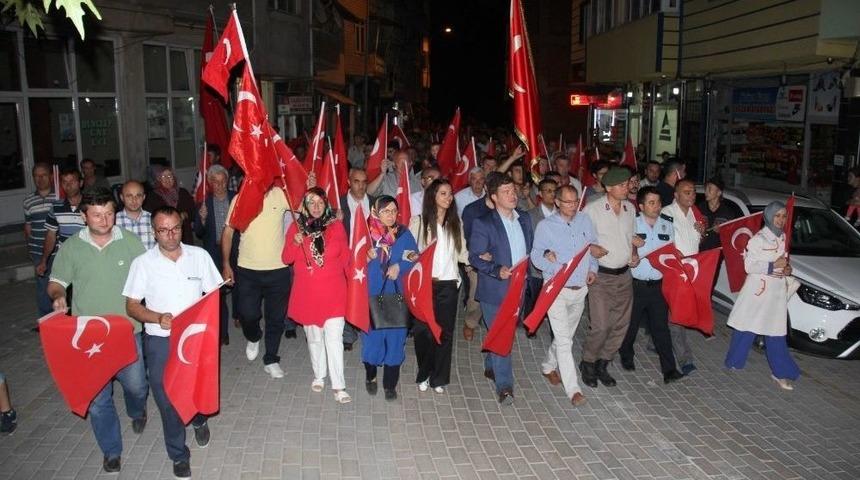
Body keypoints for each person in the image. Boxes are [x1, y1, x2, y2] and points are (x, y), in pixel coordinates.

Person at [47, 189, 148, 474]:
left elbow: (147, 276)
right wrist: (58, 295)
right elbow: (55, 282)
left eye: (109, 213)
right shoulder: (71, 248)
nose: (105, 220)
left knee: (137, 386)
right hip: (89, 338)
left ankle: (137, 409)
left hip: (128, 331)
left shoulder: (129, 242)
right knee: (98, 400)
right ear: (83, 216)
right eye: (97, 215)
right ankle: (111, 450)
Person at [123, 206, 222, 479]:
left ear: (182, 226)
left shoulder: (199, 256)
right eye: (163, 230)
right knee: (166, 399)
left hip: (194, 339)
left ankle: (199, 417)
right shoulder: (142, 263)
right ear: (154, 232)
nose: (170, 235)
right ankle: (178, 454)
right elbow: (131, 306)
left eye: (175, 228)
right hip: (160, 341)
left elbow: (213, 295)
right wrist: (156, 317)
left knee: (197, 386)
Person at [469, 173, 534, 405]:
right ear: (494, 197)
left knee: (499, 331)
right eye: (506, 192)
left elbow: (530, 249)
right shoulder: (484, 223)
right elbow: (475, 257)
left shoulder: (525, 219)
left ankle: (489, 364)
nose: (513, 195)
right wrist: (497, 269)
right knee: (504, 337)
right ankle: (505, 385)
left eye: (513, 190)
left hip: (518, 288)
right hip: (495, 289)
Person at [282, 188, 352, 403]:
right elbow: (286, 259)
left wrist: (356, 284)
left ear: (325, 204)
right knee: (314, 339)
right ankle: (319, 375)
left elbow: (346, 257)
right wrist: (294, 242)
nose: (315, 206)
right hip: (308, 294)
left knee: (334, 340)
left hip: (334, 293)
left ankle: (339, 386)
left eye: (319, 201)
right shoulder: (296, 226)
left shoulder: (336, 226)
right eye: (311, 202)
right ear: (305, 205)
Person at [530, 185, 597, 406]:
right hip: (556, 290)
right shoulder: (545, 226)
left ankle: (548, 365)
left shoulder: (585, 221)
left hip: (580, 290)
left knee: (564, 335)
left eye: (575, 201)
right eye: (567, 202)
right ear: (557, 202)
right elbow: (536, 257)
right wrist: (550, 262)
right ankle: (573, 390)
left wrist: (592, 269)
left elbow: (592, 249)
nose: (572, 206)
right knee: (565, 341)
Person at [724, 201, 801, 391]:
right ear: (768, 216)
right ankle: (734, 361)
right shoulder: (757, 239)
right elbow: (749, 266)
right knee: (746, 327)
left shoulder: (782, 237)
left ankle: (781, 372)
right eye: (777, 216)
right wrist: (772, 266)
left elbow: (782, 263)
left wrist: (787, 269)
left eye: (784, 216)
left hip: (775, 293)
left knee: (775, 332)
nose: (781, 220)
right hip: (758, 291)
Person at [221, 186, 296, 378]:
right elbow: (228, 232)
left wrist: (309, 185)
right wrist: (226, 264)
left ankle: (271, 359)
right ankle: (253, 336)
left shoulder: (280, 194)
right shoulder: (239, 198)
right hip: (247, 269)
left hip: (278, 270)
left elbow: (304, 207)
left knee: (276, 318)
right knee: (247, 314)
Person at [580, 167, 643, 388]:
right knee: (601, 325)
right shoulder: (592, 210)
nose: (628, 187)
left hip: (624, 276)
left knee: (620, 325)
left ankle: (603, 363)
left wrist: (634, 254)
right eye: (623, 185)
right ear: (608, 187)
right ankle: (587, 362)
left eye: (628, 184)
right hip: (601, 277)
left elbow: (631, 237)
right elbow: (580, 240)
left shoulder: (630, 209)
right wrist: (591, 248)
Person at [619, 186, 685, 383]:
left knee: (660, 328)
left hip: (658, 285)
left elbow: (670, 252)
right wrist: (630, 256)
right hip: (635, 284)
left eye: (658, 203)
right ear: (640, 206)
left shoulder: (667, 225)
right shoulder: (631, 224)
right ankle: (626, 354)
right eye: (651, 203)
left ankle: (669, 370)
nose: (657, 207)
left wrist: (678, 256)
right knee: (630, 325)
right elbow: (621, 250)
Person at [409, 179, 468, 394]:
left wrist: (479, 260)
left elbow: (463, 253)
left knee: (444, 333)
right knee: (424, 332)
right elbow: (407, 251)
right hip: (425, 286)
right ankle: (424, 372)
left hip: (449, 284)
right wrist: (411, 255)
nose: (448, 197)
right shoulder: (418, 222)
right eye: (443, 193)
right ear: (432, 196)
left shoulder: (455, 223)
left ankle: (439, 378)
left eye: (450, 193)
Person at [364, 196, 418, 400]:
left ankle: (390, 384)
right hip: (372, 294)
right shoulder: (367, 234)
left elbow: (414, 256)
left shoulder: (403, 234)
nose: (391, 215)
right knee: (373, 341)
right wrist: (365, 257)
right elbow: (352, 263)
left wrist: (400, 265)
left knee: (396, 341)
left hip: (396, 296)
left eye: (394, 211)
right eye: (385, 210)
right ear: (376, 212)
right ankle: (370, 376)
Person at [661, 178, 705, 375]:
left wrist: (702, 233)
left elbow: (696, 241)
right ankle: (685, 358)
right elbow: (662, 241)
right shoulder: (667, 213)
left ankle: (658, 339)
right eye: (687, 192)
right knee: (676, 316)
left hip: (690, 272)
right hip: (674, 271)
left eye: (693, 192)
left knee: (676, 314)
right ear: (676, 195)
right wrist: (673, 251)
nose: (692, 195)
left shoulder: (694, 214)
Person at [193, 165, 237, 345]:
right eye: (215, 182)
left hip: (235, 249)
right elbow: (199, 232)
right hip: (213, 252)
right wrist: (202, 219)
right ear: (209, 183)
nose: (219, 185)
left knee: (239, 287)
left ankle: (239, 314)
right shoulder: (204, 203)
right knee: (217, 292)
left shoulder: (236, 198)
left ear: (227, 181)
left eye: (222, 181)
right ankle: (222, 332)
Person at [461, 172, 505, 341]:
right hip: (479, 262)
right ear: (487, 188)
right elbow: (465, 237)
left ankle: (496, 326)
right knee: (476, 296)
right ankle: (470, 322)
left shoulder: (509, 209)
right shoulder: (472, 210)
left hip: (502, 260)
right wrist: (471, 260)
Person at [339, 168, 374, 351]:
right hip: (346, 258)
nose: (360, 186)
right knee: (347, 295)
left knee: (368, 294)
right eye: (356, 181)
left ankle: (367, 326)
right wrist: (335, 222)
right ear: (348, 182)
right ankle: (348, 334)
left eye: (364, 182)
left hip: (370, 258)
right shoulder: (339, 204)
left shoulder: (375, 203)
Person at [23, 162, 61, 318]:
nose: (40, 179)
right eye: (36, 176)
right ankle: (46, 319)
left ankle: (63, 317)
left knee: (60, 284)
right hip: (38, 250)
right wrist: (30, 248)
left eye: (43, 175)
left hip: (58, 250)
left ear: (51, 176)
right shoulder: (28, 201)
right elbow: (28, 227)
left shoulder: (59, 197)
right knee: (42, 286)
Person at [525, 179, 558, 317]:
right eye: (548, 191)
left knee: (554, 300)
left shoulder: (563, 215)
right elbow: (529, 241)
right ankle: (530, 324)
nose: (552, 194)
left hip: (557, 265)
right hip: (537, 267)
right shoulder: (531, 215)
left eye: (555, 191)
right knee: (535, 297)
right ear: (540, 193)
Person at [143, 166, 196, 245]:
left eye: (169, 176)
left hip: (184, 236)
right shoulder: (152, 196)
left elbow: (193, 212)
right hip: (165, 236)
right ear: (158, 179)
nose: (167, 179)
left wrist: (186, 214)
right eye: (163, 176)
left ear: (173, 178)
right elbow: (150, 217)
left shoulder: (183, 192)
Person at [44, 167, 87, 248]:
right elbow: (50, 236)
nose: (68, 185)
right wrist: (44, 259)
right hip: (65, 257)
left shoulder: (91, 205)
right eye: (64, 182)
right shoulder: (56, 207)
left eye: (72, 181)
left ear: (81, 183)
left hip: (88, 256)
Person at [697, 177, 738, 250]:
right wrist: (701, 230)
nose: (706, 192)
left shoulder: (727, 213)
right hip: (701, 252)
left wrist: (722, 231)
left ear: (719, 193)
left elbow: (732, 236)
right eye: (705, 189)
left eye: (709, 189)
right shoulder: (700, 209)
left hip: (719, 254)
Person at [115, 180, 155, 250]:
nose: (134, 200)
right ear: (122, 198)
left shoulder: (153, 219)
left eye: (138, 195)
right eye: (129, 196)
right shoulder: (113, 221)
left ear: (144, 197)